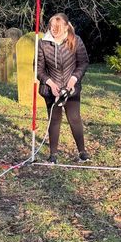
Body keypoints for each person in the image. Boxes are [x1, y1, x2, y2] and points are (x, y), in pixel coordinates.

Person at [37, 13, 89, 163]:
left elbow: (83, 63)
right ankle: (53, 155)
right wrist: (50, 83)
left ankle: (82, 152)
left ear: (66, 27)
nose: (54, 30)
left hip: (71, 89)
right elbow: (38, 69)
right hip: (51, 90)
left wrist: (73, 80)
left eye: (57, 27)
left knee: (74, 118)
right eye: (52, 27)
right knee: (54, 120)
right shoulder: (43, 43)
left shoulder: (76, 40)